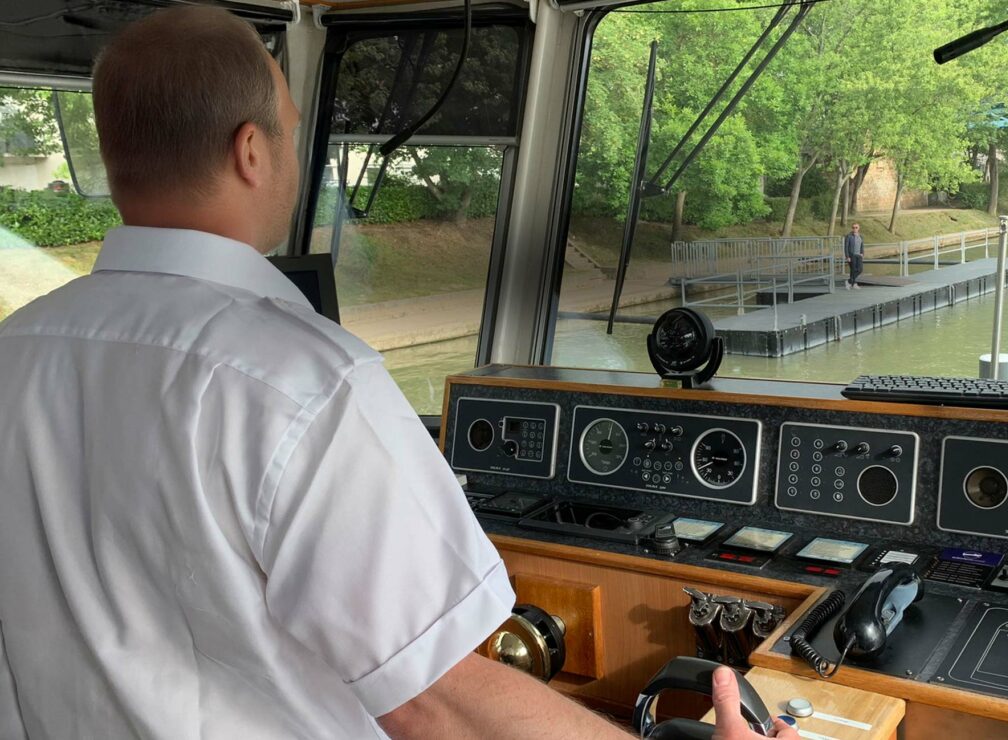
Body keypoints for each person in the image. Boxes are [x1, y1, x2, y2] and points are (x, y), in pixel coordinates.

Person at [0, 7, 797, 739]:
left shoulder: (16, 350)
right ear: (251, 151)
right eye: (289, 128)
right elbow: (434, 701)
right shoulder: (302, 382)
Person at [844, 222, 864, 289]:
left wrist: (862, 253)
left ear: (859, 228)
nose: (854, 229)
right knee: (853, 270)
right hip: (852, 255)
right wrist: (847, 256)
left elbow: (862, 246)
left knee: (860, 269)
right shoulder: (849, 236)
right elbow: (846, 247)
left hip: (859, 255)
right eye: (853, 227)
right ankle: (854, 284)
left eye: (856, 227)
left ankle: (849, 281)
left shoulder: (860, 236)